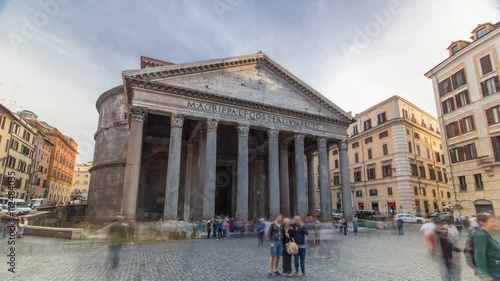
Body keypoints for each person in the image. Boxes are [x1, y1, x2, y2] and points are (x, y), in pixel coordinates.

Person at [473, 213, 500, 280]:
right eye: (492, 221)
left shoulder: (488, 235)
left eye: (495, 221)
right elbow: (479, 255)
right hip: (493, 273)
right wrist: (483, 274)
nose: (495, 223)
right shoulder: (480, 235)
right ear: (482, 223)